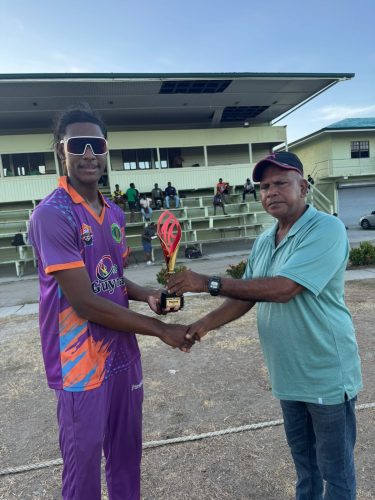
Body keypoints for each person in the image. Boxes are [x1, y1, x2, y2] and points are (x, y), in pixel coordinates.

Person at [168, 151, 362, 500]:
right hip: (289, 376)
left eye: (280, 183)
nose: (271, 191)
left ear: (303, 187)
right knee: (305, 468)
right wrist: (201, 325)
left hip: (326, 373)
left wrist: (208, 283)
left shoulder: (326, 229)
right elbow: (247, 296)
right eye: (264, 186)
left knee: (336, 472)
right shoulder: (264, 240)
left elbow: (284, 288)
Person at [28, 105, 192, 500]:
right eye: (78, 145)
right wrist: (161, 329)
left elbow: (112, 280)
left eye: (96, 144)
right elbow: (84, 303)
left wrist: (148, 295)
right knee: (83, 465)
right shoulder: (52, 215)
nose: (88, 154)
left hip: (123, 354)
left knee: (126, 456)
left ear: (106, 150)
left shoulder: (115, 211)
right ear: (59, 150)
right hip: (79, 363)